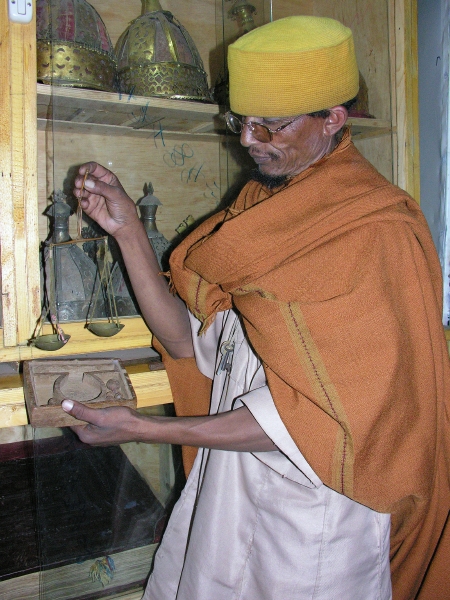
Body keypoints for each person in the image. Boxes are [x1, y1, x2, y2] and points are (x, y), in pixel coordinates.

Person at [65, 16, 450, 600]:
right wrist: (126, 232)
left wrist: (145, 428)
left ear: (332, 119)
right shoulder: (253, 214)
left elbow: (311, 423)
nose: (247, 139)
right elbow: (185, 341)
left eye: (269, 124)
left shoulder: (375, 233)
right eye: (239, 121)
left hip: (317, 519)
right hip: (226, 495)